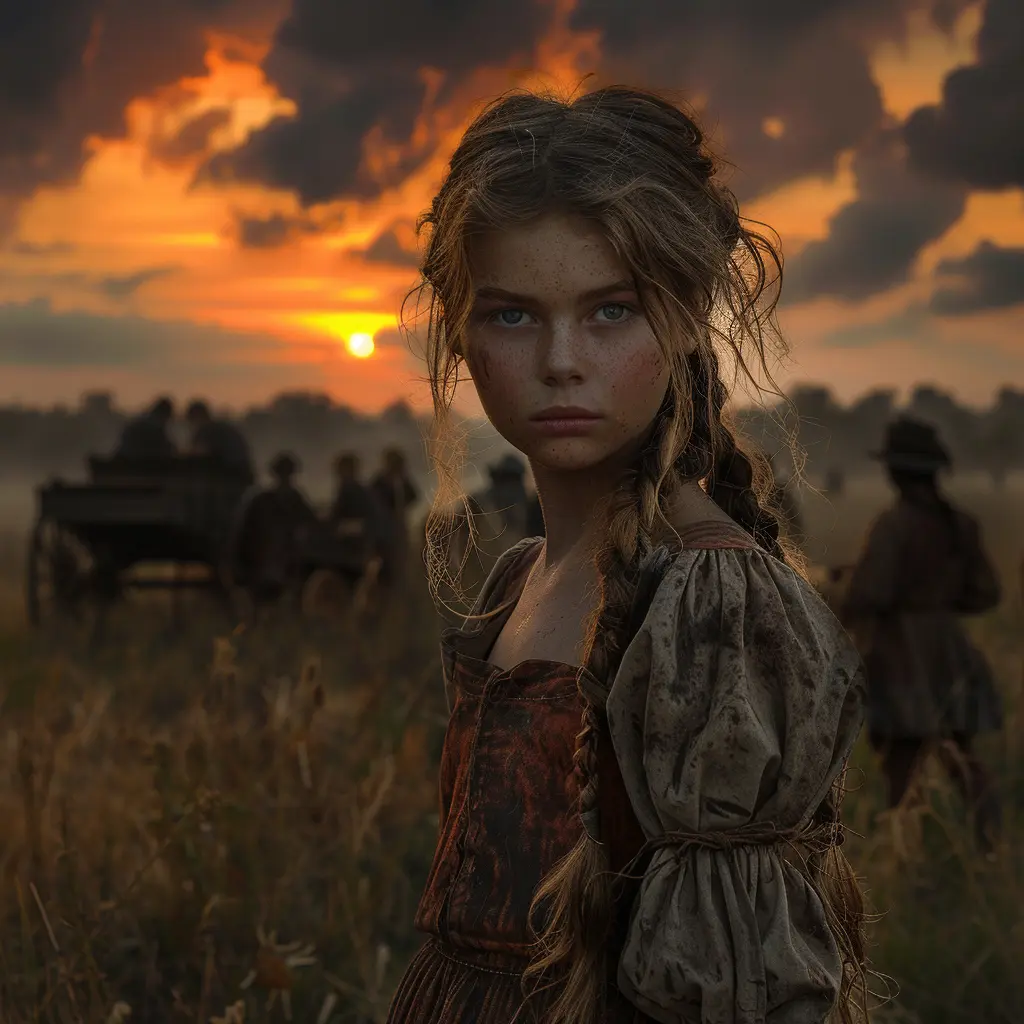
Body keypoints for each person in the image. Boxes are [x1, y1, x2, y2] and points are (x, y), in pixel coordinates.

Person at [385, 86, 868, 1024]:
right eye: (514, 316)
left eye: (610, 312)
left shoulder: (710, 600)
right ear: (460, 332)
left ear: (687, 318)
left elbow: (737, 987)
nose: (562, 360)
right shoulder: (519, 576)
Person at [841, 416, 1003, 851]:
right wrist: (939, 607)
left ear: (896, 470)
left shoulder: (893, 525)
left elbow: (868, 593)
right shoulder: (960, 524)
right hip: (950, 651)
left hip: (901, 654)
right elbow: (985, 593)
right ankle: (989, 842)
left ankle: (903, 853)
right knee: (961, 756)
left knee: (901, 763)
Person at [229, 452, 318, 610]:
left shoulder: (295, 499)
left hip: (287, 561)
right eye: (283, 472)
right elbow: (243, 533)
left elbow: (312, 525)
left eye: (287, 473)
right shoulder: (261, 500)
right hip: (261, 561)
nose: (285, 477)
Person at [370, 447, 419, 585]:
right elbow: (373, 502)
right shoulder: (379, 482)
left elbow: (414, 496)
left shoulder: (402, 481)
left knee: (401, 565)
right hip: (383, 530)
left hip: (399, 529)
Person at [186, 399, 255, 483]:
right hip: (244, 473)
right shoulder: (221, 427)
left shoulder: (206, 430)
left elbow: (198, 454)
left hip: (231, 475)